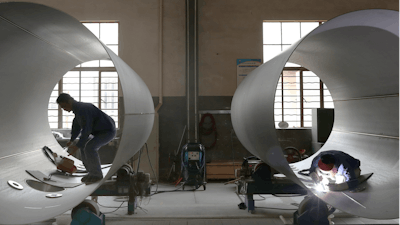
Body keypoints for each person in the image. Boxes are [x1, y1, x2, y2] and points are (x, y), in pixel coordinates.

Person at [56, 93, 116, 184]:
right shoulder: (78, 111)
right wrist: (71, 140)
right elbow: (76, 127)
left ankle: (97, 174)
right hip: (99, 132)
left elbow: (86, 129)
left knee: (90, 147)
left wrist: (77, 145)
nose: (64, 109)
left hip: (107, 131)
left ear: (69, 101)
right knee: (84, 146)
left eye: (64, 106)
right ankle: (91, 172)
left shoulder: (83, 109)